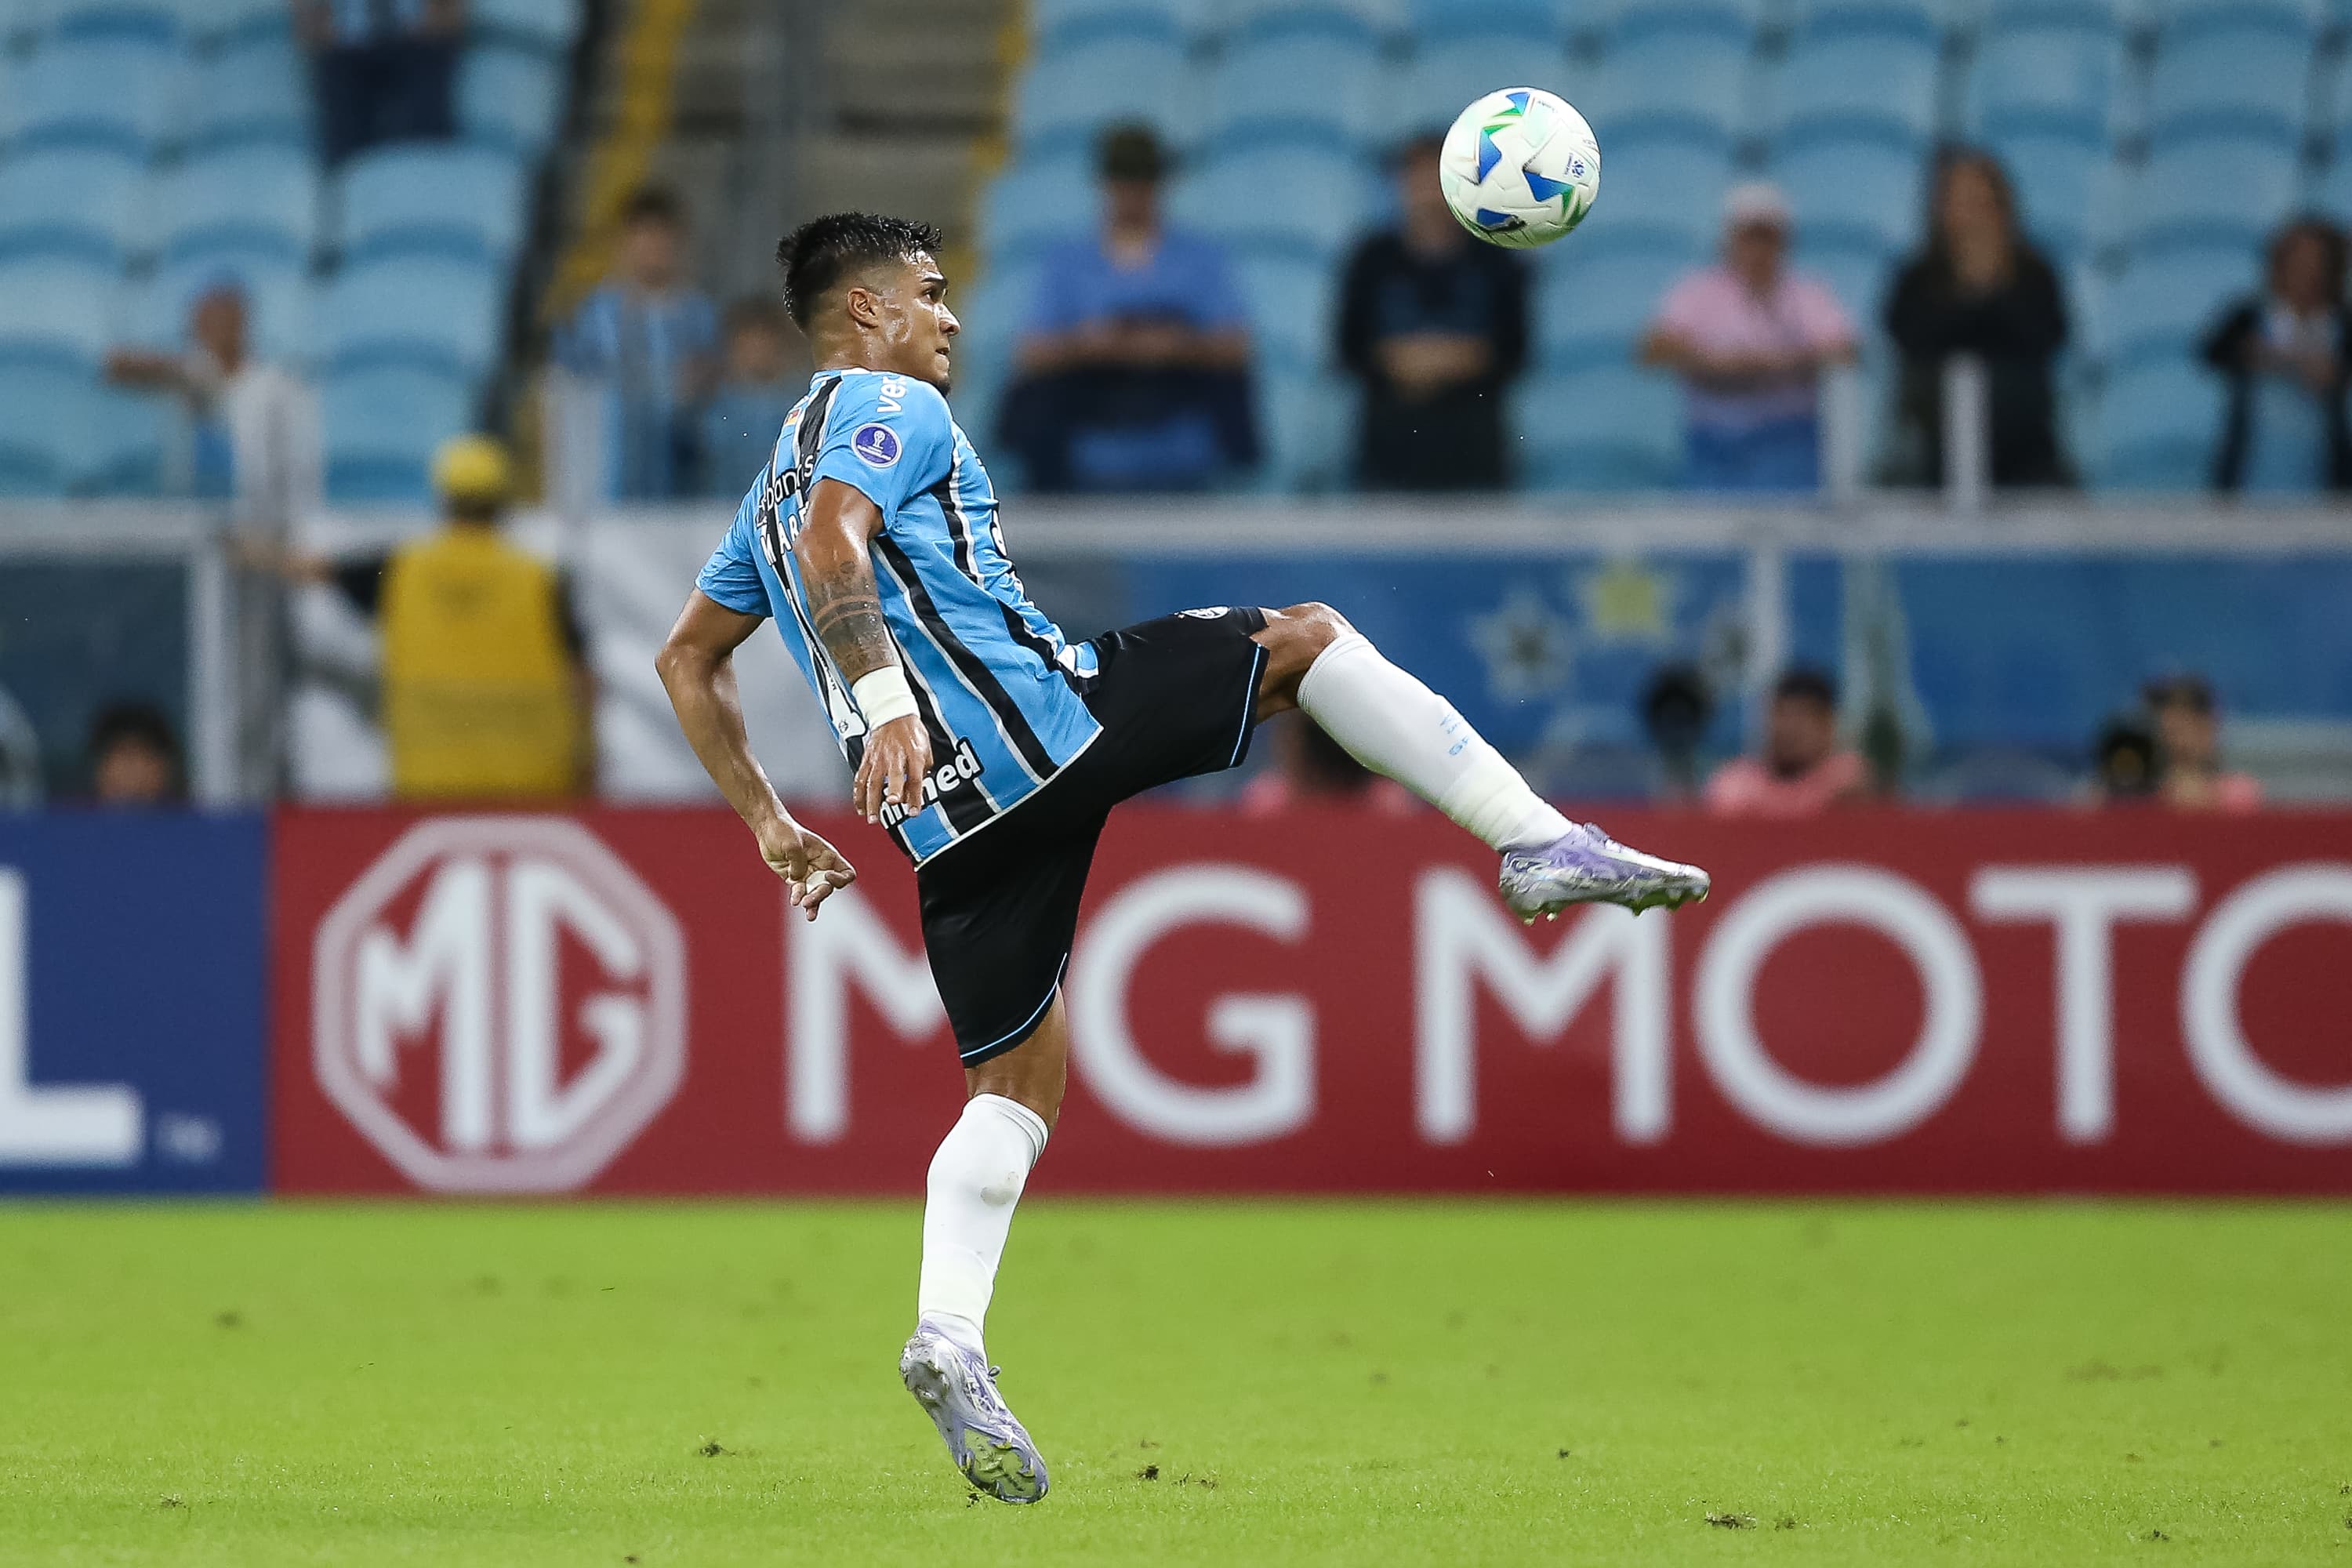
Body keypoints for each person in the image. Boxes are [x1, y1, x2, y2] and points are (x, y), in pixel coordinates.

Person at [656, 212, 1711, 1505]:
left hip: (941, 822)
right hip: (1044, 727)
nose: (950, 320)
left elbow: (687, 659)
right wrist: (883, 704)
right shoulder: (888, 407)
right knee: (1309, 638)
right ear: (867, 314)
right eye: (929, 296)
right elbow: (837, 546)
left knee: (1016, 1086)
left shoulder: (759, 489)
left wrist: (770, 821)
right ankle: (1535, 841)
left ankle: (950, 1337)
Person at [267, 436, 595, 800]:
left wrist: (250, 551)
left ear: (444, 500)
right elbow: (582, 681)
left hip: (428, 777)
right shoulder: (538, 579)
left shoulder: (402, 570)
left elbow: (313, 568)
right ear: (500, 502)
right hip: (530, 779)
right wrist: (587, 762)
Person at [1002, 125, 1258, 492]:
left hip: (1176, 386)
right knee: (1036, 399)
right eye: (1124, 183)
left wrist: (1178, 345)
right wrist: (1088, 345)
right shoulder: (1067, 261)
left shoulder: (1200, 257)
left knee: (1229, 390)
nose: (1133, 195)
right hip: (1092, 390)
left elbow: (1237, 345)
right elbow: (1031, 352)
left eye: (1142, 183)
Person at [1335, 132, 1530, 491]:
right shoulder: (1370, 260)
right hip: (1388, 447)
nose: (1427, 191)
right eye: (1417, 177)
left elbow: (1515, 351)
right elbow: (1348, 349)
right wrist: (1404, 362)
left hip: (1474, 448)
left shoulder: (1496, 259)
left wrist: (1454, 360)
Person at [1639, 183, 1858, 492]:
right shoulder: (1700, 290)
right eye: (1749, 237)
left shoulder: (1806, 292)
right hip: (1713, 444)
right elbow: (1654, 348)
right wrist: (1712, 364)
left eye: (1766, 238)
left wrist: (1778, 364)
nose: (1757, 250)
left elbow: (1845, 350)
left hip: (1788, 442)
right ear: (1730, 238)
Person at [1885, 147, 2072, 488]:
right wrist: (1971, 293)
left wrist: (1993, 288)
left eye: (1981, 203)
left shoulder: (2033, 274)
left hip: (2026, 450)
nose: (1972, 216)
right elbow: (1912, 341)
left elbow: (2047, 338)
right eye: (1961, 202)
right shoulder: (1918, 277)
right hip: (1935, 449)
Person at [105, 277, 321, 527]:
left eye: (217, 321)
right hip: (195, 520)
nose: (207, 331)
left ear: (239, 323)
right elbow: (119, 367)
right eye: (201, 322)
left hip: (263, 524)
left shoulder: (274, 388)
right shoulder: (194, 375)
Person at [557, 187, 720, 500]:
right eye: (644, 237)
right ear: (625, 243)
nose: (653, 248)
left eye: (662, 238)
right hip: (610, 481)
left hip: (683, 480)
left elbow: (713, 388)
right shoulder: (595, 314)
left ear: (678, 243)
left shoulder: (699, 315)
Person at [2201, 217, 2352, 495]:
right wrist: (2282, 361)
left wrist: (2335, 375)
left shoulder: (2342, 325)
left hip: (2325, 476)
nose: (2307, 273)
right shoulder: (2248, 317)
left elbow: (2337, 374)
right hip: (2251, 473)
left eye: (2317, 264)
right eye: (2298, 263)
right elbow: (2211, 352)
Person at [296, 0, 465, 167]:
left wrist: (448, 12)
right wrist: (309, 19)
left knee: (427, 140)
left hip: (421, 38)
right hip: (345, 42)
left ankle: (429, 182)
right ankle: (346, 183)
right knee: (345, 143)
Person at [1703, 667, 1867, 817]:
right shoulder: (1735, 782)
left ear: (1828, 726)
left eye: (1801, 717)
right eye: (1781, 714)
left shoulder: (1846, 778)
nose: (1788, 729)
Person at [699, 298, 804, 496]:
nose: (759, 352)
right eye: (749, 343)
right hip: (715, 515)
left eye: (767, 342)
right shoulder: (709, 408)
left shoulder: (803, 404)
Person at [2145, 675, 2262, 813]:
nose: (2174, 740)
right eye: (2166, 731)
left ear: (2209, 727)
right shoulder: (2143, 794)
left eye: (2183, 728)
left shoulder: (2240, 793)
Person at [85, 702, 186, 808]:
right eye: (124, 754)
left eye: (146, 756)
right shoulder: (73, 818)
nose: (132, 770)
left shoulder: (192, 820)